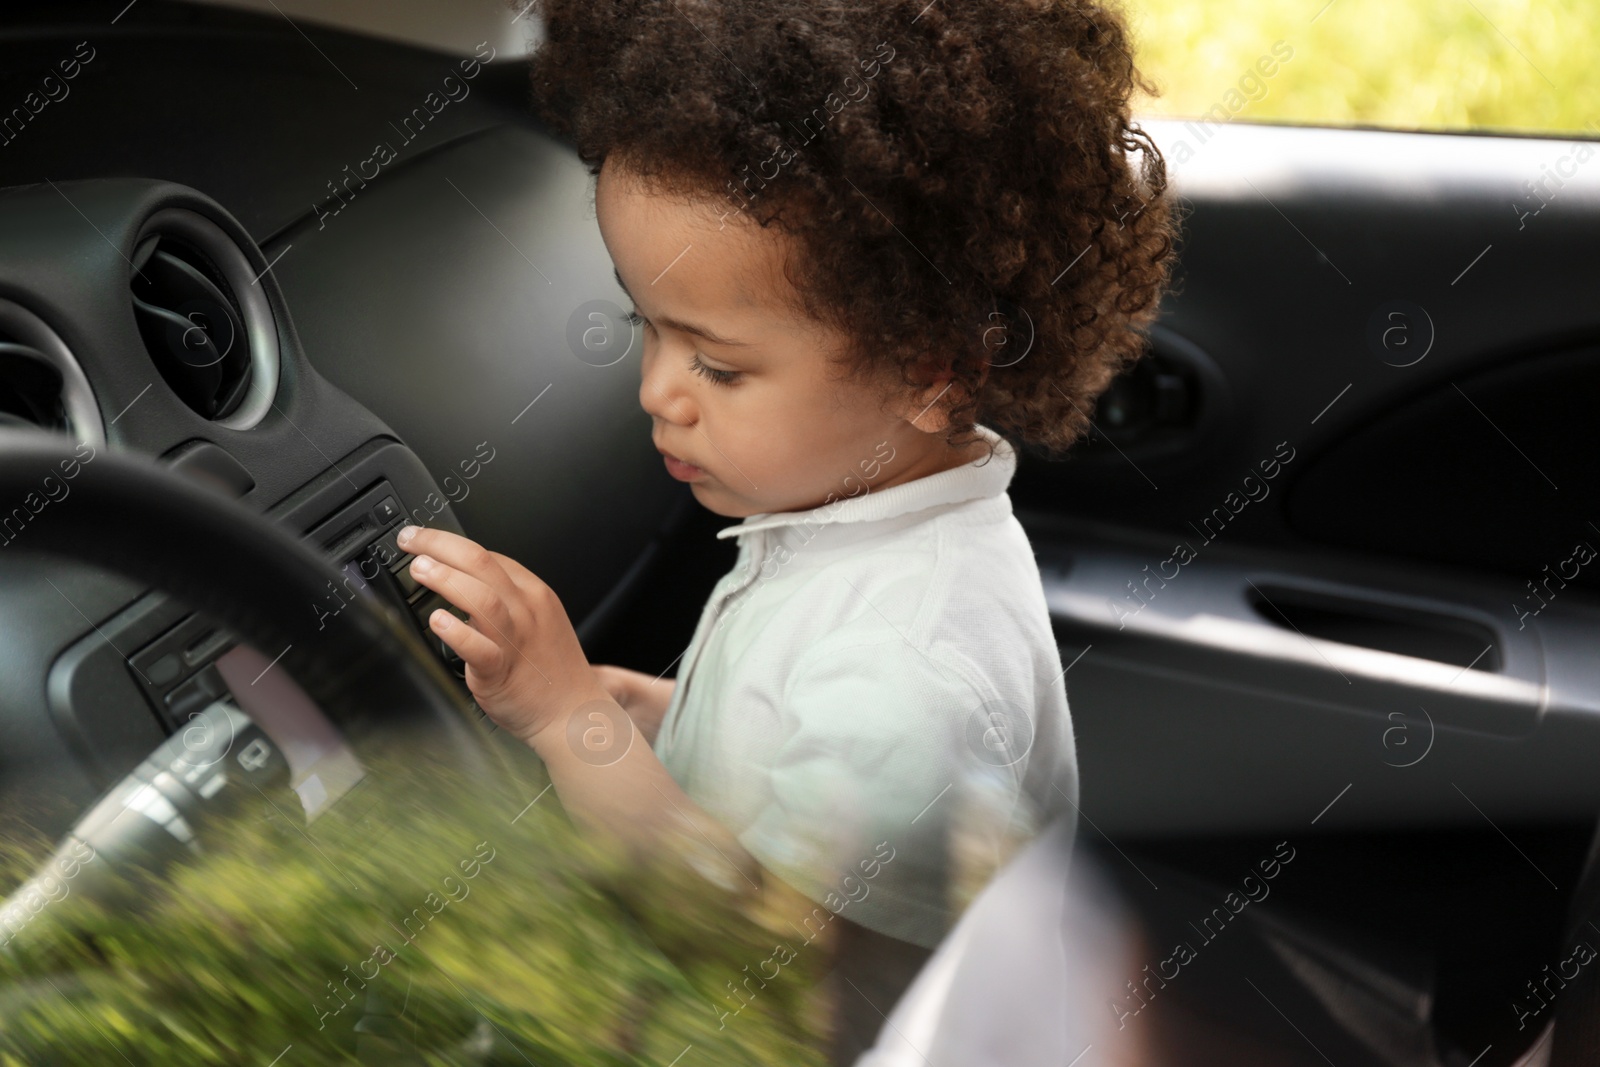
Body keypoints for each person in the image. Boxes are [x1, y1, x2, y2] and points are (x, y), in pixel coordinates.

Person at [393, 0, 1176, 1058]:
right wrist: (652, 719)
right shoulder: (871, 533)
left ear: (929, 374)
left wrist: (566, 715)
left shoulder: (909, 667)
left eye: (717, 363)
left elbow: (746, 940)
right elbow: (805, 764)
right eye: (644, 324)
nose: (658, 391)